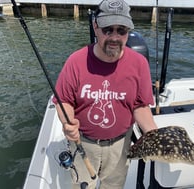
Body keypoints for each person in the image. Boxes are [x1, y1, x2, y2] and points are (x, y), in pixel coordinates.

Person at [53, 0, 158, 188]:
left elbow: (140, 106)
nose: (115, 37)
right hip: (83, 142)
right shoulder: (76, 61)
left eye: (122, 31)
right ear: (95, 27)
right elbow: (64, 100)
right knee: (82, 185)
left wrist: (154, 134)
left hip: (121, 145)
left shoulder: (139, 63)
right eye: (108, 30)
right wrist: (68, 123)